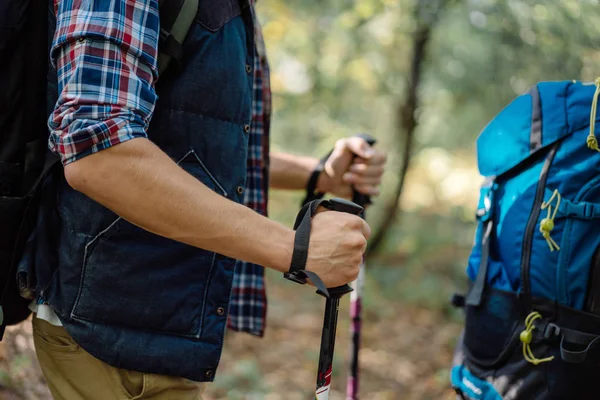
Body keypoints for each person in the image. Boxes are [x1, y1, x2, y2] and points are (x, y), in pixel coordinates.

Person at [25, 0, 388, 399]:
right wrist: (294, 249)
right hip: (110, 334)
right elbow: (100, 154)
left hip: (160, 330)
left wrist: (319, 174)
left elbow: (196, 149)